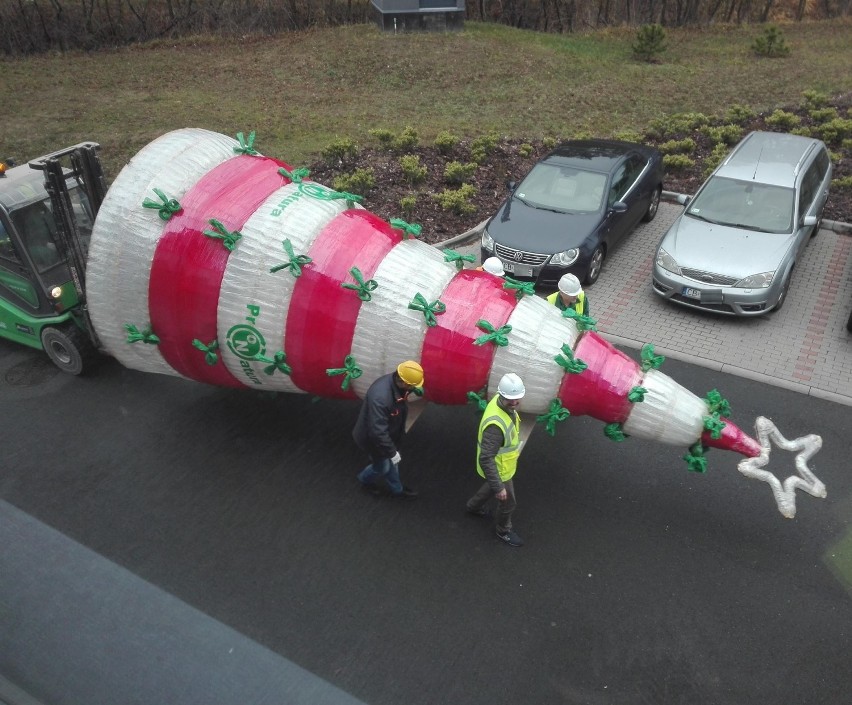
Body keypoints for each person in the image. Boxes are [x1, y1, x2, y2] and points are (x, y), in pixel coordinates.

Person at [466, 372, 526, 547]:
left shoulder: (499, 403)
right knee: (508, 503)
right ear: (502, 395)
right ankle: (503, 530)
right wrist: (499, 486)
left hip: (502, 465)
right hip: (500, 469)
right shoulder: (495, 426)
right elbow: (486, 458)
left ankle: (473, 507)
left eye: (517, 398)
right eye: (510, 399)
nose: (514, 403)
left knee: (489, 488)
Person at [353, 360, 423, 499]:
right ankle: (364, 479)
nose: (414, 388)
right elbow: (377, 432)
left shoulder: (396, 384)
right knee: (383, 467)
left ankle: (397, 488)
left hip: (388, 437)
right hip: (374, 440)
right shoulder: (382, 398)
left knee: (391, 464)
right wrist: (392, 452)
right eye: (413, 386)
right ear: (403, 382)